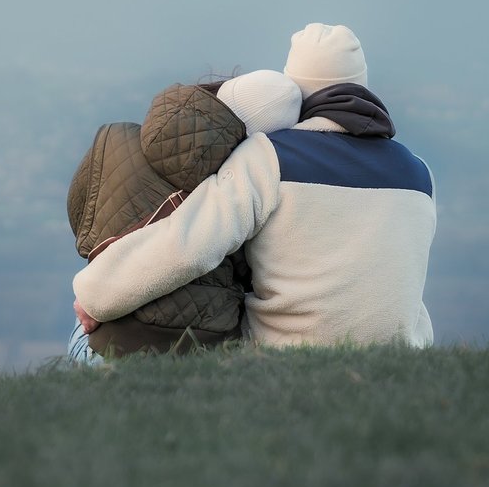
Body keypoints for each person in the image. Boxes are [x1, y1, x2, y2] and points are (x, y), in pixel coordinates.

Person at [72, 24, 436, 352]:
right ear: (362, 86)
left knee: (82, 342)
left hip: (281, 357)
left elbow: (188, 244)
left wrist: (94, 296)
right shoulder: (419, 174)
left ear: (296, 89)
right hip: (398, 356)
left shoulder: (271, 157)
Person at [65, 69, 303, 364]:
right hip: (201, 350)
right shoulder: (240, 188)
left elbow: (79, 210)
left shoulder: (116, 137)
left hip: (104, 338)